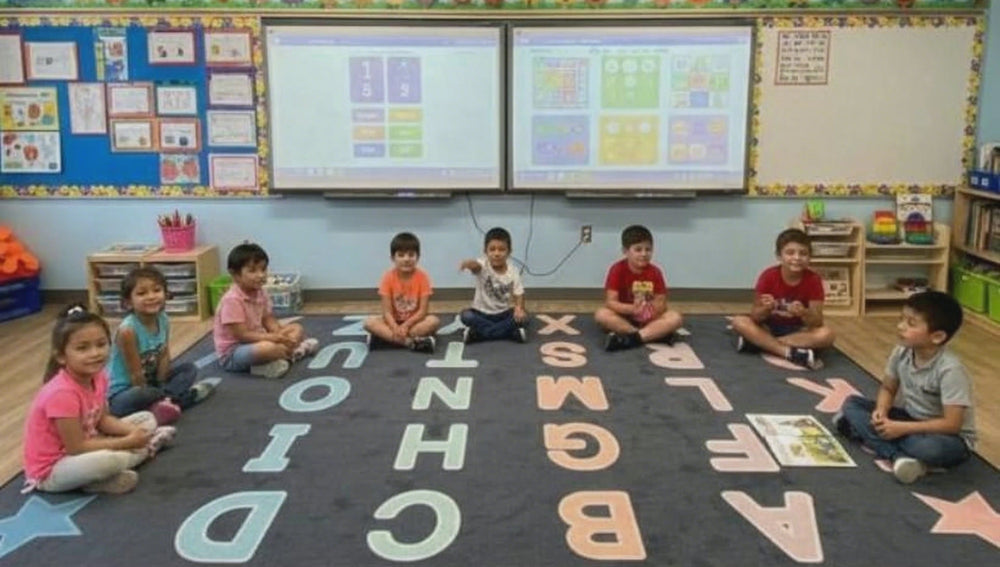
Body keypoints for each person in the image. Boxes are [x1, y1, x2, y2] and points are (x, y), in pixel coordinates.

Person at [22, 305, 175, 495]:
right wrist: (127, 442)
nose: (95, 353)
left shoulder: (99, 377)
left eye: (101, 344)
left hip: (90, 440)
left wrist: (132, 432)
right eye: (82, 348)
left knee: (147, 419)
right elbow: (76, 447)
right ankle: (146, 447)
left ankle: (124, 460)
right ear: (61, 356)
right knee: (108, 461)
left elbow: (103, 420)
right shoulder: (61, 393)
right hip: (54, 468)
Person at [832, 291, 976, 484]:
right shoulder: (901, 352)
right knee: (852, 403)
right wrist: (881, 411)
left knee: (930, 449)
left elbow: (952, 424)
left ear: (937, 336)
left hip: (947, 436)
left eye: (911, 323)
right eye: (901, 319)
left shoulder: (950, 370)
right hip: (910, 419)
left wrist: (901, 429)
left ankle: (879, 443)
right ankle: (900, 457)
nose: (900, 326)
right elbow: (888, 388)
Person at [107, 267, 217, 424]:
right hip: (125, 392)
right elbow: (135, 375)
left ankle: (163, 403)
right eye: (142, 293)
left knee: (189, 369)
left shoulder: (163, 319)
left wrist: (161, 383)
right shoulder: (128, 331)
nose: (151, 296)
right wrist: (153, 392)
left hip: (152, 384)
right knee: (143, 394)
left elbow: (164, 354)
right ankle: (180, 399)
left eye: (157, 290)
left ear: (166, 294)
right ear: (128, 302)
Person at [730, 228, 835, 370]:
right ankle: (789, 352)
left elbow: (817, 321)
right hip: (769, 327)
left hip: (798, 332)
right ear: (779, 256)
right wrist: (765, 308)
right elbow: (755, 316)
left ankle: (760, 344)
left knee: (827, 334)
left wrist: (803, 312)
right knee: (739, 321)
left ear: (810, 257)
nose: (797, 258)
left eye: (803, 253)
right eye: (790, 253)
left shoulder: (813, 280)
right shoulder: (768, 276)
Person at [214, 243, 318, 379]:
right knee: (267, 348)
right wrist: (273, 338)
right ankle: (293, 353)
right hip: (234, 352)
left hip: (259, 339)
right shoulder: (232, 300)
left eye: (263, 269)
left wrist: (278, 333)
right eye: (253, 271)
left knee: (296, 328)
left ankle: (285, 354)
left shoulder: (260, 292)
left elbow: (267, 318)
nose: (261, 275)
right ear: (235, 275)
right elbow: (242, 335)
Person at [595, 225, 683, 351]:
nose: (644, 254)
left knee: (675, 317)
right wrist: (632, 309)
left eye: (648, 250)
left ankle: (631, 339)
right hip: (624, 317)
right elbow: (611, 302)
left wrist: (649, 311)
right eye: (638, 250)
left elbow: (661, 302)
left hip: (649, 318)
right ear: (625, 251)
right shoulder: (617, 269)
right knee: (601, 314)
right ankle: (650, 335)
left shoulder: (655, 272)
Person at [364, 232, 440, 352]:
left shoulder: (423, 277)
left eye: (411, 255)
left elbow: (422, 311)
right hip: (392, 322)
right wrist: (394, 327)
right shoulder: (387, 277)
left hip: (414, 323)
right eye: (401, 255)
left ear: (418, 257)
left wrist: (406, 326)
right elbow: (387, 312)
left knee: (433, 321)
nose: (406, 259)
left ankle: (385, 340)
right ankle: (410, 343)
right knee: (369, 322)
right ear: (393, 258)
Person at [459, 227, 527, 344]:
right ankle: (509, 333)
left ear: (509, 252)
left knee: (524, 317)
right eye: (492, 249)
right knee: (466, 315)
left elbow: (519, 293)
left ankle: (478, 334)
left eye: (501, 250)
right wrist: (469, 264)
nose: (496, 254)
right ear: (485, 251)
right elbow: (476, 267)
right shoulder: (483, 264)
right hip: (481, 313)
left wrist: (518, 309)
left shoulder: (513, 271)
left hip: (503, 314)